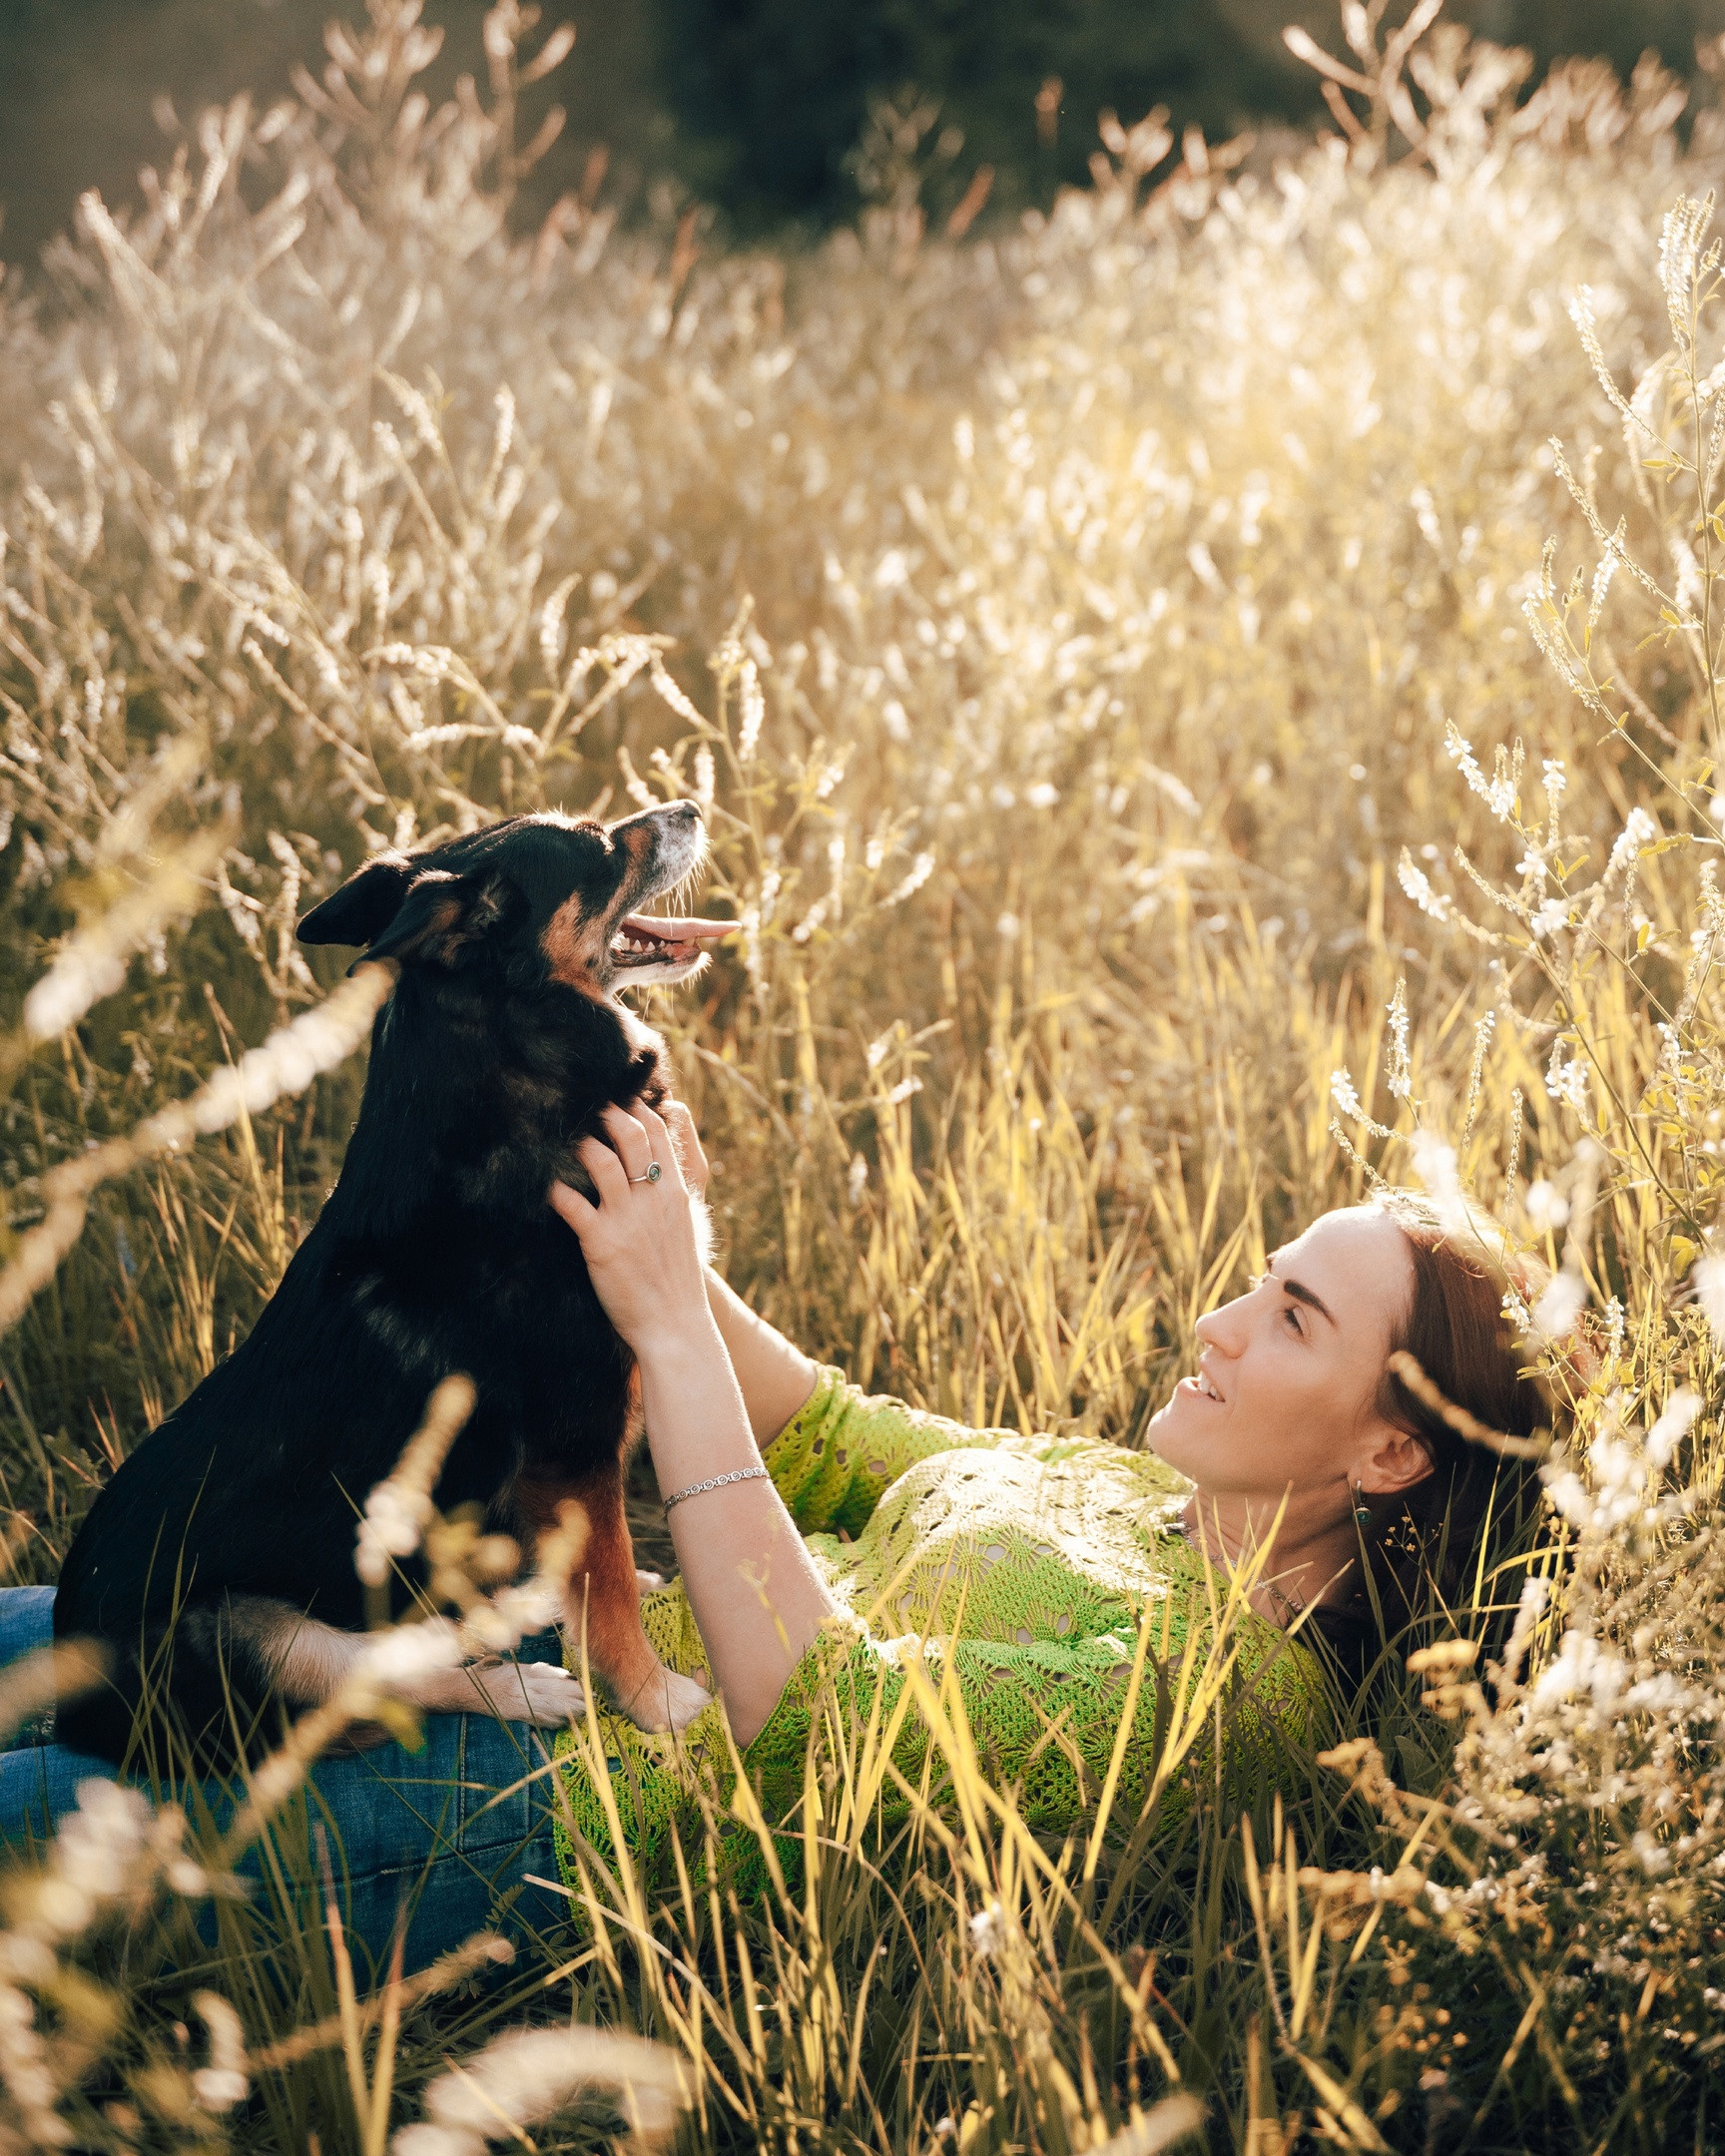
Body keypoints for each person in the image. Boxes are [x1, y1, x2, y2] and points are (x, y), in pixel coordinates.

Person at [0, 1101, 1544, 1972]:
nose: (1212, 1322)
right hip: (515, 1642)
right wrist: (640, 1190)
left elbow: (818, 1717)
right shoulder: (1134, 1490)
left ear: (1392, 1447)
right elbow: (822, 1432)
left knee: (32, 1815)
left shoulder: (1241, 1708)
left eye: (1288, 1318)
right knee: (34, 1637)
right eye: (1253, 1278)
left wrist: (667, 1330)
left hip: (539, 1813)